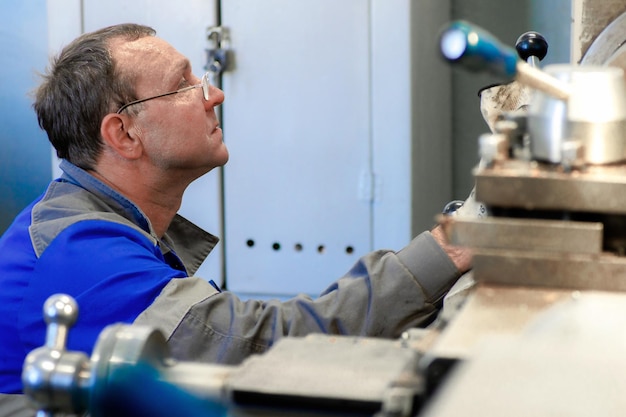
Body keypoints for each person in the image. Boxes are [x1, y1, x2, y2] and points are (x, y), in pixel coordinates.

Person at [0, 23, 471, 411]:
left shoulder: (85, 222)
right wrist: (446, 250)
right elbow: (267, 350)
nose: (214, 94)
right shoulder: (81, 255)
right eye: (183, 84)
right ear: (123, 134)